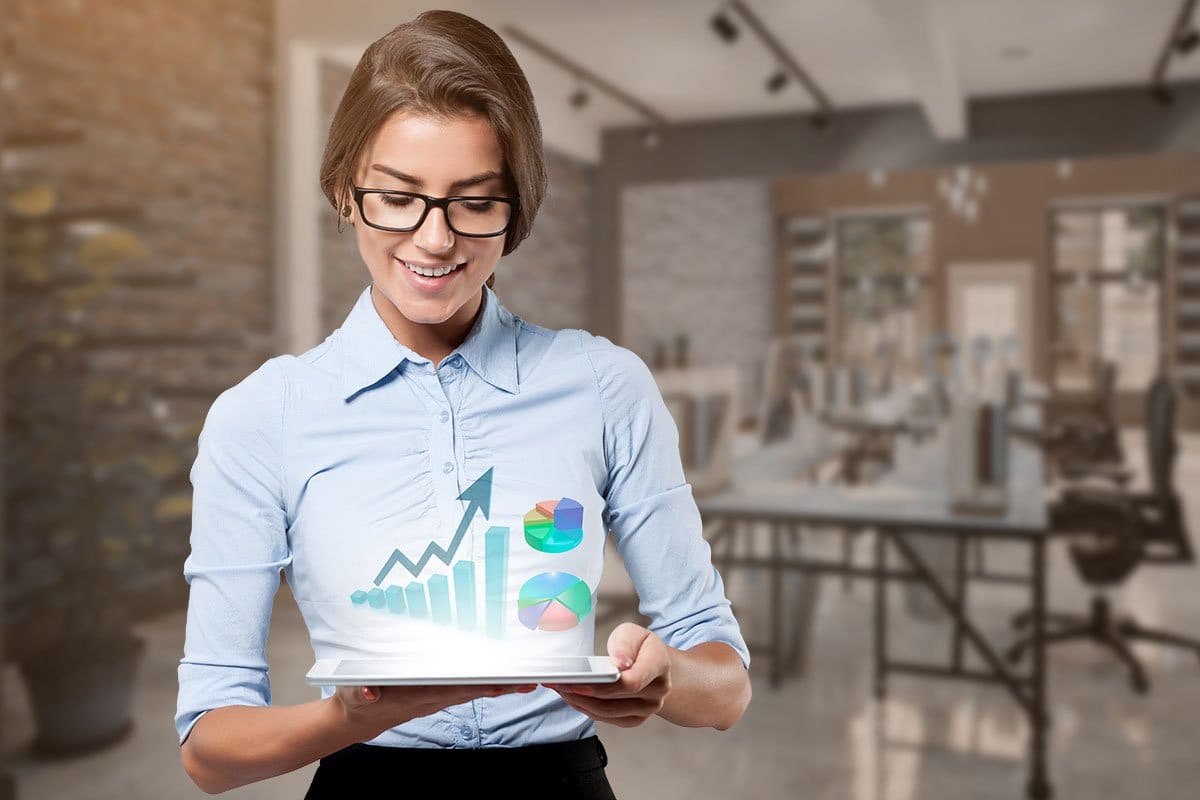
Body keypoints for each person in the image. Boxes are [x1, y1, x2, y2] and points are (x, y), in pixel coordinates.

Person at [176, 10, 750, 798]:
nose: (435, 239)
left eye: (475, 202)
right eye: (398, 197)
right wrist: (349, 719)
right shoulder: (261, 416)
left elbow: (726, 684)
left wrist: (665, 678)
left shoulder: (606, 385)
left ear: (518, 209)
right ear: (346, 194)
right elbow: (209, 748)